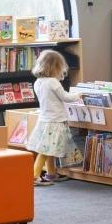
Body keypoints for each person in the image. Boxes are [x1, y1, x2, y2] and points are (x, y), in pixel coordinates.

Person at [26, 48, 81, 185]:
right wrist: (79, 95)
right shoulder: (53, 82)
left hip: (45, 120)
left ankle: (51, 174)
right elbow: (65, 97)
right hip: (55, 121)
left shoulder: (38, 82)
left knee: (48, 148)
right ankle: (34, 176)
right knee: (45, 151)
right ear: (56, 67)